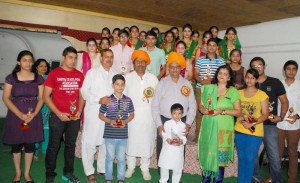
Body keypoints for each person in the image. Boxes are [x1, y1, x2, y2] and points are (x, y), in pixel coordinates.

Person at [152, 52, 197, 182]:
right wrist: (159, 125)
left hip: (181, 122)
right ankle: (163, 178)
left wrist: (187, 124)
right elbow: (154, 105)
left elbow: (192, 105)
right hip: (165, 121)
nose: (175, 69)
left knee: (179, 148)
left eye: (178, 66)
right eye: (172, 66)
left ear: (181, 68)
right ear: (168, 68)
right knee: (163, 149)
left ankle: (177, 178)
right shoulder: (162, 83)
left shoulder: (187, 84)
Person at [43, 46, 85, 183]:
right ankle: (50, 173)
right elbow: (45, 96)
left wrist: (79, 111)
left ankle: (68, 172)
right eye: (70, 57)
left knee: (70, 145)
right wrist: (59, 113)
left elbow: (82, 96)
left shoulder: (79, 75)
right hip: (57, 116)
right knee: (54, 145)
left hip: (74, 117)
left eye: (75, 58)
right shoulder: (54, 73)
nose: (73, 61)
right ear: (63, 57)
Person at [2, 50, 44, 183]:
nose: (28, 63)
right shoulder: (11, 78)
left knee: (30, 145)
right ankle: (17, 173)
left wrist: (35, 114)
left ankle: (26, 174)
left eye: (30, 60)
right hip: (16, 115)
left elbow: (42, 98)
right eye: (25, 60)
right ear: (18, 62)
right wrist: (20, 114)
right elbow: (6, 98)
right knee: (16, 145)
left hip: (33, 116)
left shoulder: (38, 78)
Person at [198, 65, 241, 183]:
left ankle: (218, 181)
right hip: (208, 127)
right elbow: (201, 105)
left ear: (229, 77)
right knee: (208, 155)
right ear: (216, 75)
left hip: (223, 129)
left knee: (220, 160)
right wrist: (203, 110)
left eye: (225, 74)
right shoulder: (208, 88)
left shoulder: (233, 91)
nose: (222, 75)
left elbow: (238, 112)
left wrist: (222, 111)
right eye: (220, 73)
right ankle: (205, 180)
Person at [80, 49, 118, 183]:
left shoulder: (115, 74)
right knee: (89, 143)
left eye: (111, 57)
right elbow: (84, 91)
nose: (109, 59)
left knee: (105, 142)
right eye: (106, 57)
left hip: (109, 114)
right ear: (101, 58)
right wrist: (98, 100)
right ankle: (89, 171)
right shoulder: (93, 72)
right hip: (94, 113)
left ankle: (102, 169)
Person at [250, 57, 288, 183]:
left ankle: (276, 180)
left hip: (269, 124)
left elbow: (284, 101)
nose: (257, 68)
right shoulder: (249, 82)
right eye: (254, 66)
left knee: (274, 157)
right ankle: (255, 179)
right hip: (253, 124)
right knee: (253, 156)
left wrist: (281, 117)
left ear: (264, 66)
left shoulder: (275, 82)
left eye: (259, 65)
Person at [124, 50, 159, 180]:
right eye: (137, 61)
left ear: (146, 64)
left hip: (148, 116)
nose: (140, 64)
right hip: (131, 116)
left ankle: (145, 169)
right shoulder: (127, 78)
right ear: (133, 63)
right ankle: (130, 167)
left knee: (147, 141)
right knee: (131, 142)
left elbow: (157, 99)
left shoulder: (153, 78)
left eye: (142, 61)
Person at [235, 69, 269, 183]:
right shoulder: (238, 93)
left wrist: (252, 123)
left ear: (256, 80)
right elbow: (235, 110)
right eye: (248, 77)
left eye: (252, 78)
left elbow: (265, 115)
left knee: (250, 159)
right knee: (242, 159)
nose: (249, 80)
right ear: (245, 78)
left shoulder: (262, 95)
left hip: (255, 132)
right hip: (239, 130)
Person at [99, 74, 135, 183]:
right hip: (110, 135)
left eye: (122, 84)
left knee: (121, 159)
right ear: (112, 85)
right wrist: (110, 121)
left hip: (122, 136)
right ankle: (108, 178)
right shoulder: (107, 100)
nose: (120, 86)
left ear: (124, 86)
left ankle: (120, 179)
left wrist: (125, 121)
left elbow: (132, 115)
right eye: (117, 84)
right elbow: (100, 115)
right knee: (109, 158)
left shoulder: (128, 100)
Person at [194, 38, 225, 142]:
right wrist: (201, 81)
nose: (211, 47)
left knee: (213, 111)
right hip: (201, 89)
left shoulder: (221, 60)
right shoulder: (200, 59)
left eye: (214, 45)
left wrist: (212, 81)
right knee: (200, 112)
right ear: (206, 47)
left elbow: (222, 75)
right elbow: (196, 73)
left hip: (215, 89)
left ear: (217, 47)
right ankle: (198, 135)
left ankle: (211, 136)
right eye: (209, 45)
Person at [277, 60, 300, 183]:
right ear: (284, 70)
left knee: (293, 153)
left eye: (294, 69)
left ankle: (292, 179)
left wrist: (297, 115)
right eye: (288, 69)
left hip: (294, 125)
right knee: (277, 153)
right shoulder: (278, 84)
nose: (291, 71)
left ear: (296, 70)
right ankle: (275, 177)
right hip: (279, 123)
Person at [158, 103, 187, 183]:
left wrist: (181, 142)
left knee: (177, 168)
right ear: (171, 114)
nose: (177, 115)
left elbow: (184, 138)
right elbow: (164, 134)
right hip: (168, 149)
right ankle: (163, 181)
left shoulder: (183, 125)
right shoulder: (167, 123)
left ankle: (176, 181)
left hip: (178, 150)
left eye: (179, 113)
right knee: (164, 167)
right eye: (174, 113)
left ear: (182, 114)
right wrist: (167, 139)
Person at [32, 58, 51, 160]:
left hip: (47, 106)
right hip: (35, 106)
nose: (44, 68)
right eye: (41, 66)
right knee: (35, 129)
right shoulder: (33, 78)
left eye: (45, 66)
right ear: (36, 68)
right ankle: (34, 150)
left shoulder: (49, 77)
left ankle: (45, 149)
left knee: (46, 129)